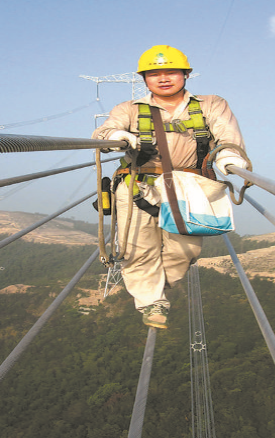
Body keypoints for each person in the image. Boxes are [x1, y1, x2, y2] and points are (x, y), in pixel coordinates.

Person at [92, 45, 252, 329]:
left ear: (186, 74)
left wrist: (230, 158)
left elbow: (227, 135)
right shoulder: (129, 109)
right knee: (136, 247)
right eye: (154, 74)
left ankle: (156, 284)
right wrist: (118, 135)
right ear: (144, 79)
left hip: (189, 183)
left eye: (171, 72)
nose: (163, 78)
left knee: (186, 248)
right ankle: (151, 301)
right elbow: (104, 133)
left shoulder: (210, 104)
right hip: (137, 183)